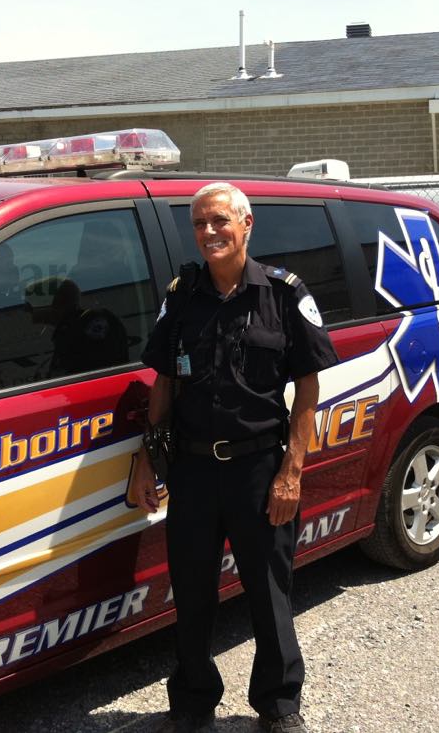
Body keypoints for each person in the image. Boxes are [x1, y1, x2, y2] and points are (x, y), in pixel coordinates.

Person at [134, 182, 339, 733]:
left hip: (258, 470)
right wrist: (146, 460)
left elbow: (307, 389)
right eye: (200, 224)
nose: (208, 233)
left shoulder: (282, 292)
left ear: (246, 224)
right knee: (193, 594)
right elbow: (163, 383)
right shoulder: (181, 296)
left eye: (220, 221)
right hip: (194, 471)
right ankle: (193, 701)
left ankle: (278, 705)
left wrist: (291, 471)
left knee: (269, 595)